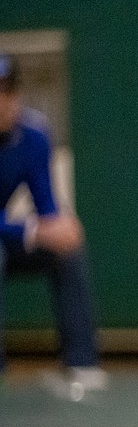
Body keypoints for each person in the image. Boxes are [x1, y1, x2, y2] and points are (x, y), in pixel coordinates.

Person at [0, 54, 105, 395]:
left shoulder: (33, 136)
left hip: (8, 236)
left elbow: (45, 205)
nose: (4, 101)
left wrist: (60, 227)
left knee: (67, 250)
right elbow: (33, 228)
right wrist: (33, 230)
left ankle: (81, 361)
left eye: (9, 90)